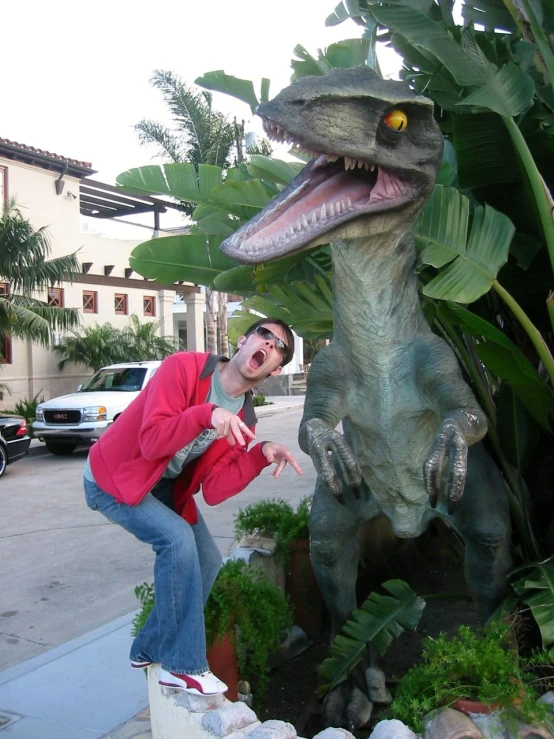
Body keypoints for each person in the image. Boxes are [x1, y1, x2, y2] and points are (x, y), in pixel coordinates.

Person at [83, 317, 302, 697]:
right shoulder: (183, 367)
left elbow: (214, 489)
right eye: (263, 335)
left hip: (163, 486)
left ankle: (148, 647)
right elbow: (151, 443)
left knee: (209, 561)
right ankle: (182, 665)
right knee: (177, 539)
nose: (267, 345)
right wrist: (205, 414)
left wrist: (260, 456)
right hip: (114, 476)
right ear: (243, 340)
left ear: (275, 368)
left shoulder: (244, 416)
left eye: (278, 346)